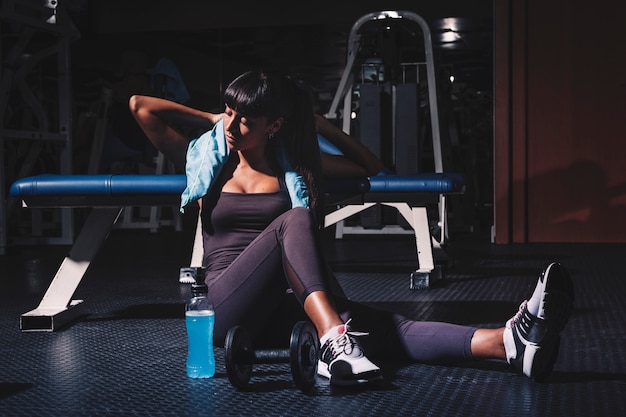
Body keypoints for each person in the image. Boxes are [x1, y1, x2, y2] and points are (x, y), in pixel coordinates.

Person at [129, 69, 574, 387]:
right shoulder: (207, 165)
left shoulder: (297, 168)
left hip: (284, 306)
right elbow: (140, 106)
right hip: (223, 308)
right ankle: (333, 338)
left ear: (275, 126)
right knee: (295, 221)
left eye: (246, 118)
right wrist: (218, 118)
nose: (233, 125)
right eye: (229, 113)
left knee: (388, 328)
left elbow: (371, 165)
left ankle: (509, 344)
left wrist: (319, 126)